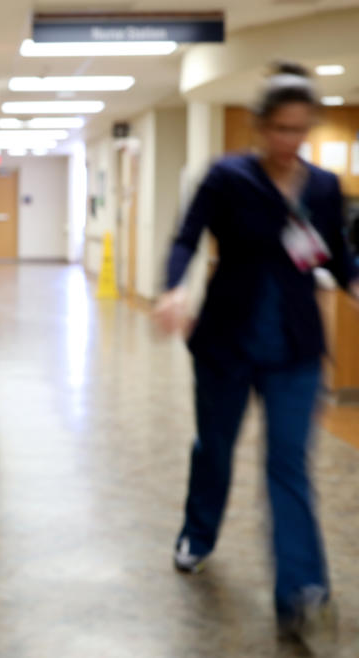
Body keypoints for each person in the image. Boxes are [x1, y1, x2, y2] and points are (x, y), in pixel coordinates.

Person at [155, 62, 359, 651]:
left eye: (300, 129)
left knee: (287, 466)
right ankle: (199, 532)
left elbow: (339, 260)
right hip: (226, 344)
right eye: (279, 128)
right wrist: (173, 288)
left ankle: (302, 596)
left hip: (294, 350)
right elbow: (186, 238)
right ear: (259, 126)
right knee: (215, 446)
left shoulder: (322, 187)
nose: (289, 142)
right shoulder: (227, 178)